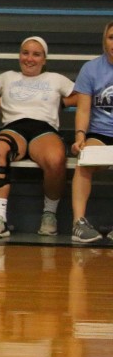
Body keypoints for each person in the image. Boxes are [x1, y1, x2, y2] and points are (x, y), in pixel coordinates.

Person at [0, 36, 76, 239]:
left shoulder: (55, 79)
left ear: (44, 59)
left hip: (43, 129)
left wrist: (63, 103)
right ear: (19, 56)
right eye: (25, 53)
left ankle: (49, 215)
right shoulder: (7, 77)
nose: (30, 58)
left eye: (36, 54)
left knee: (56, 158)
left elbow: (82, 94)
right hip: (14, 128)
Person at [69, 21, 113, 244]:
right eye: (111, 37)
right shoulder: (91, 69)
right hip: (100, 134)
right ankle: (78, 223)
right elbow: (83, 109)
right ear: (104, 40)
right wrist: (80, 138)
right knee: (84, 159)